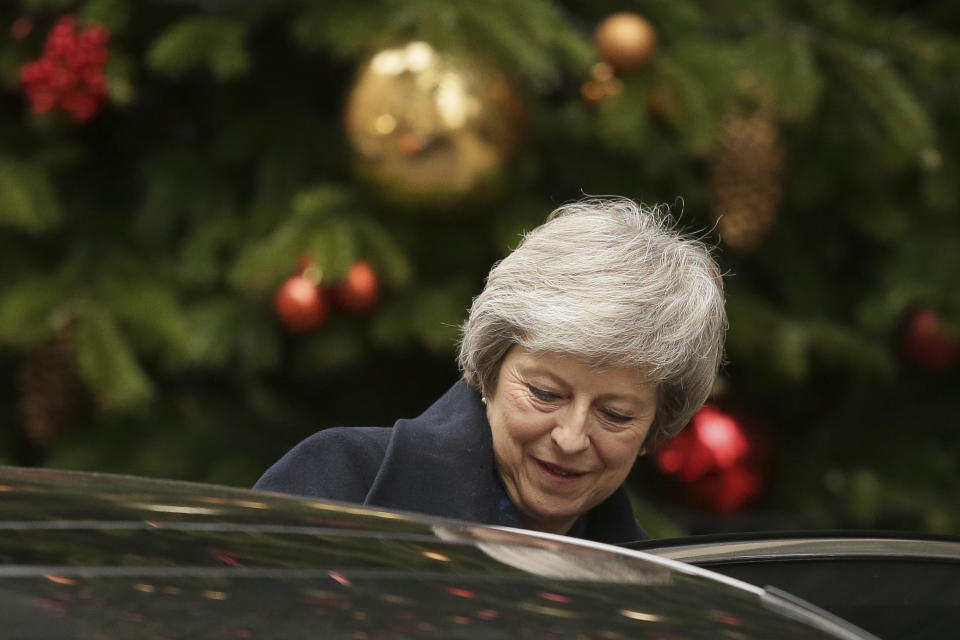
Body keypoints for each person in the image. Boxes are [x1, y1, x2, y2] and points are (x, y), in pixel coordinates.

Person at [255, 196, 726, 543]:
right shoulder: (339, 483)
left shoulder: (657, 593)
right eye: (545, 393)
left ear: (654, 430)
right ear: (488, 371)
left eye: (617, 416)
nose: (570, 437)